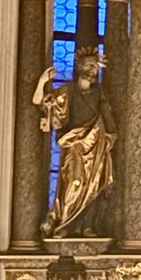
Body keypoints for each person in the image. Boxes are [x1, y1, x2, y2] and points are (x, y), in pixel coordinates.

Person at [35, 48, 117, 238]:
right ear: (80, 67)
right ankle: (64, 222)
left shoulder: (98, 92)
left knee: (94, 186)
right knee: (74, 181)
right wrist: (41, 83)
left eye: (95, 66)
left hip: (96, 144)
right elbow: (39, 101)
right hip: (73, 144)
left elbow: (108, 117)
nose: (93, 70)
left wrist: (111, 137)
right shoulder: (68, 91)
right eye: (90, 65)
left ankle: (86, 225)